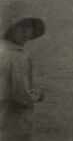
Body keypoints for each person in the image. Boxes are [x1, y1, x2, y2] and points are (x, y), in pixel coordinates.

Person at [0, 11, 45, 140]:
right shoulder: (18, 57)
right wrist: (36, 97)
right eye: (22, 26)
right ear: (10, 29)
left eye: (29, 27)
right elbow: (20, 94)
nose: (26, 32)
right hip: (12, 124)